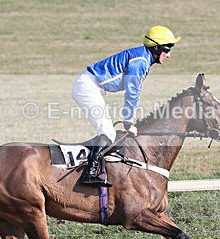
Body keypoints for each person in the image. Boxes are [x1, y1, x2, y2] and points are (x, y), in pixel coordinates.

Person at [72, 25, 181, 186]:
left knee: (107, 132)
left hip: (91, 85)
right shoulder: (141, 62)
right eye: (167, 49)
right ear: (156, 47)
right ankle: (89, 173)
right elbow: (132, 93)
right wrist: (128, 121)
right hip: (88, 87)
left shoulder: (143, 58)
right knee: (108, 133)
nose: (169, 55)